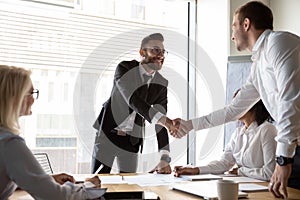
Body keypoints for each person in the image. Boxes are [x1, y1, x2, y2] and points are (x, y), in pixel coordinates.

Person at [171, 1, 300, 198]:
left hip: (290, 152)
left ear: (246, 24)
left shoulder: (278, 43)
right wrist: (188, 125)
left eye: (234, 25)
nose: (232, 34)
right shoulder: (258, 66)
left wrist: (283, 160)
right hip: (294, 149)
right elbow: (232, 111)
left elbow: (290, 102)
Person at [0, 65, 104, 200]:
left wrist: (46, 180)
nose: (33, 98)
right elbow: (56, 196)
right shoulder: (9, 144)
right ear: (14, 97)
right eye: (31, 92)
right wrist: (89, 187)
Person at [91, 33, 175, 174]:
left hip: (132, 141)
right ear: (142, 52)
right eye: (155, 50)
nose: (160, 55)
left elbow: (161, 120)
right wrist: (164, 121)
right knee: (97, 183)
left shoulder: (161, 83)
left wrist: (164, 158)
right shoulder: (125, 68)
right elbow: (133, 100)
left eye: (163, 51)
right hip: (107, 136)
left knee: (131, 189)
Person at [174, 95, 277, 181]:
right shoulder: (238, 133)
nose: (234, 108)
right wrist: (195, 170)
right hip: (243, 186)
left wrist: (241, 171)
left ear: (252, 106)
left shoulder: (267, 130)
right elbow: (223, 164)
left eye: (237, 104)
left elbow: (270, 173)